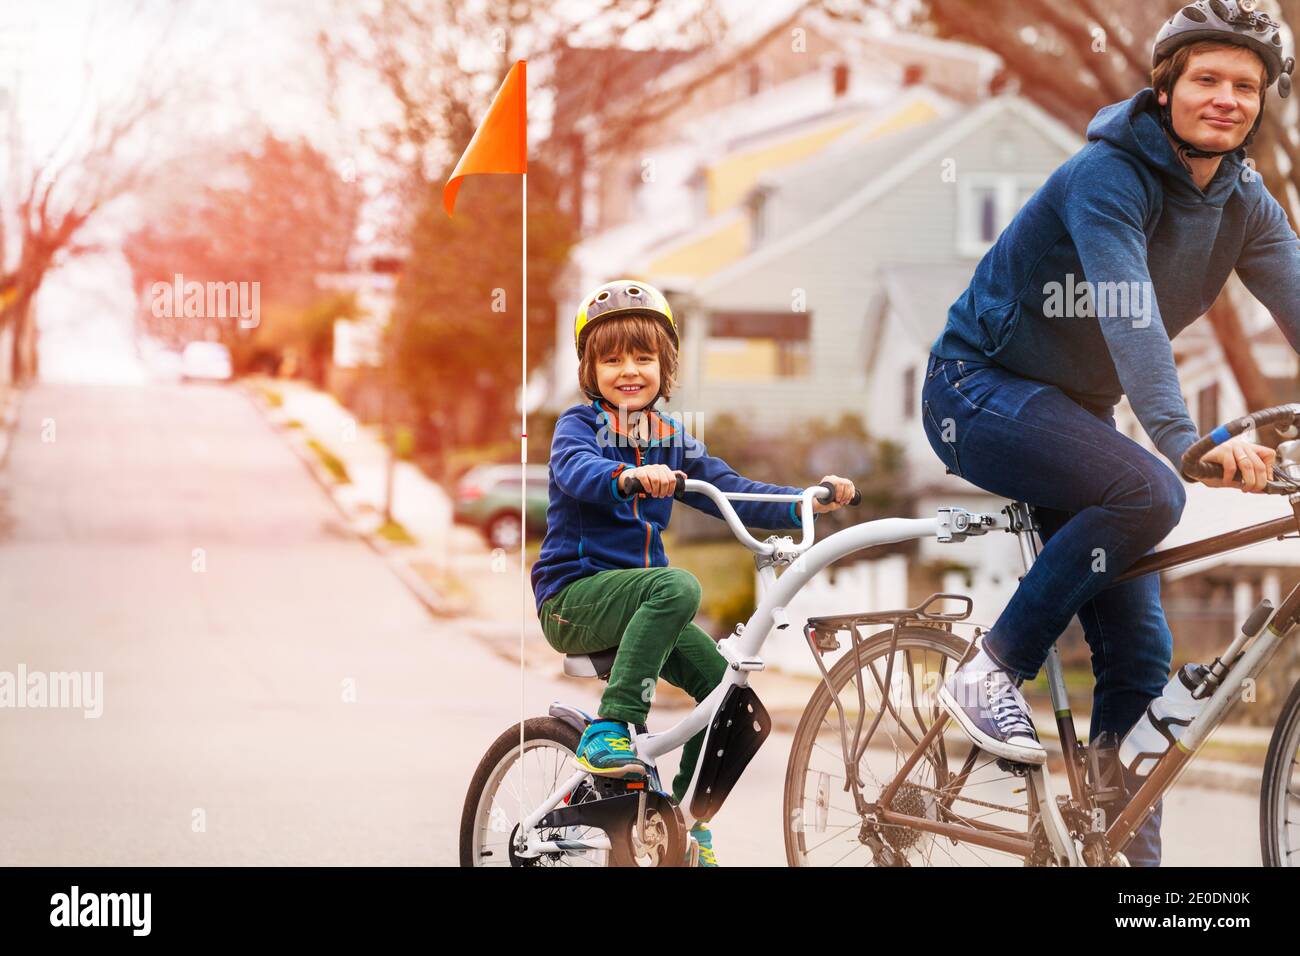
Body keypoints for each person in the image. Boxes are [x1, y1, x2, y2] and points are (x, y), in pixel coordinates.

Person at [922, 0, 1299, 866]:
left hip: (1075, 416)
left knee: (1139, 660)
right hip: (977, 388)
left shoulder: (1245, 200)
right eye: (1207, 78)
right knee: (1152, 488)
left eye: (1246, 85)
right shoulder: (1108, 176)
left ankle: (1129, 869)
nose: (1227, 98)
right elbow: (1130, 314)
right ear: (1165, 88)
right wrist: (1184, 440)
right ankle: (990, 667)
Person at [530, 279, 856, 866]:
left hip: (644, 604)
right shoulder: (577, 426)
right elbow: (577, 471)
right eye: (612, 359)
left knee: (733, 705)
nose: (629, 370)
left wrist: (806, 500)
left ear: (665, 366)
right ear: (590, 369)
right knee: (677, 584)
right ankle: (611, 728)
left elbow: (732, 489)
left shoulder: (669, 440)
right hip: (572, 600)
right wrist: (625, 477)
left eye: (644, 357)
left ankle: (676, 824)